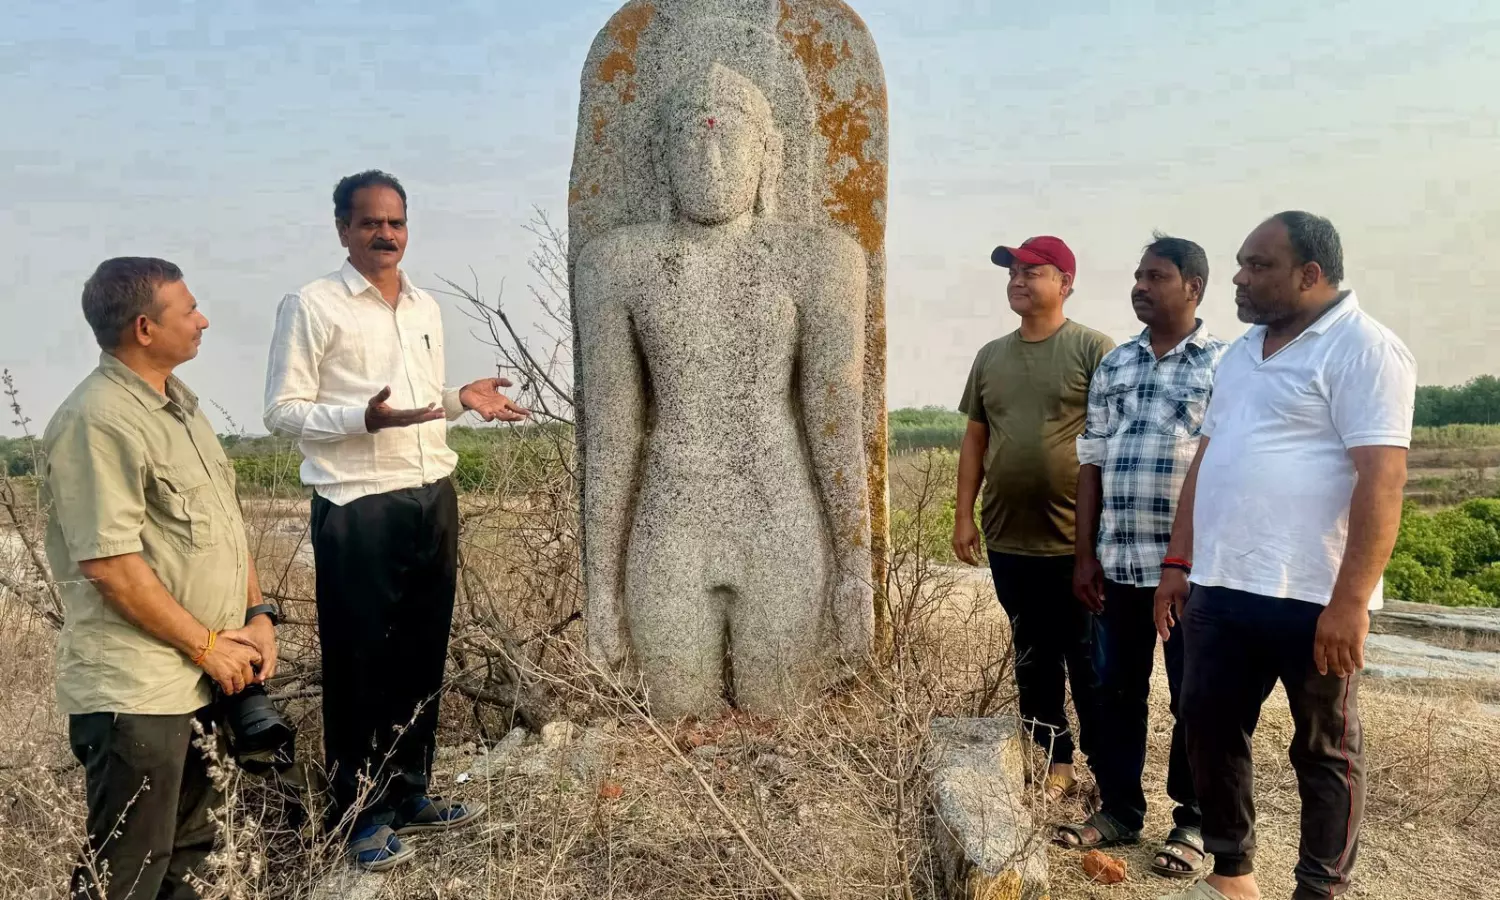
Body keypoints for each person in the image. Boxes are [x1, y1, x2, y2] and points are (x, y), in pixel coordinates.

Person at [263, 170, 529, 870]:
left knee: (421, 652)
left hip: (430, 492)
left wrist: (461, 398)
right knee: (360, 663)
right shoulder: (312, 304)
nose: (386, 234)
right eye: (370, 223)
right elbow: (282, 410)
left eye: (396, 222)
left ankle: (411, 792)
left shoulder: (423, 306)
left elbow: (417, 402)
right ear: (342, 229)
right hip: (359, 501)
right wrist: (361, 418)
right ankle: (358, 816)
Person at [1155, 212, 1416, 900]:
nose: (1239, 278)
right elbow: (1209, 457)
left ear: (1310, 274)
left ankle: (1319, 889)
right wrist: (1179, 563)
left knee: (1324, 748)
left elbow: (1382, 479)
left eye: (1258, 265)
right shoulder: (1243, 352)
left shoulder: (1365, 349)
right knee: (1207, 724)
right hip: (1222, 583)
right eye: (1241, 263)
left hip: (1313, 594)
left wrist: (1350, 603)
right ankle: (1232, 875)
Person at [42, 257, 278, 900]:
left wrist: (258, 615)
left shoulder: (181, 408)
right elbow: (110, 566)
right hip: (138, 691)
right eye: (189, 309)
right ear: (145, 328)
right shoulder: (97, 420)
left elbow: (223, 526)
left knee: (192, 857)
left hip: (206, 677)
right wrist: (205, 645)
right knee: (127, 871)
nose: (204, 321)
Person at [1053, 235, 1230, 879]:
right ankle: (1120, 809)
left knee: (1195, 697)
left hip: (1190, 571)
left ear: (1193, 288)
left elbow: (1228, 464)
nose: (1140, 286)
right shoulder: (1116, 364)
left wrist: (1193, 562)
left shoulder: (1226, 366)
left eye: (1156, 276)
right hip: (1118, 564)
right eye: (1137, 276)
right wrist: (1085, 555)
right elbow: (1092, 460)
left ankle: (1195, 820)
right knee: (1113, 691)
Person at [954, 235, 1114, 801]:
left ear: (1065, 284)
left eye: (1032, 271)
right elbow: (976, 439)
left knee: (1089, 660)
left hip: (1077, 543)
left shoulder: (1093, 349)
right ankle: (1055, 762)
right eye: (1013, 272)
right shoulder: (990, 357)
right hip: (1009, 539)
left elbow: (1113, 441)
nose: (1018, 280)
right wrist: (964, 516)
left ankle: (1109, 775)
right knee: (1033, 657)